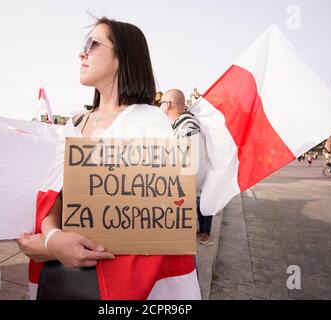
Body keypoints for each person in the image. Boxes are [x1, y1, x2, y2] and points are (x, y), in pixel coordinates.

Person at [16, 17, 201, 300]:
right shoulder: (75, 123)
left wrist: (47, 247)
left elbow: (144, 224)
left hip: (117, 286)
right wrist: (52, 239)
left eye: (93, 44)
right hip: (59, 278)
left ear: (122, 57)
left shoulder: (149, 122)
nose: (82, 52)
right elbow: (55, 194)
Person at [160, 89, 211, 245]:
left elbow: (193, 164)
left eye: (161, 102)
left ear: (168, 104)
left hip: (189, 187)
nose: (159, 106)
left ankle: (205, 231)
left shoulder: (188, 127)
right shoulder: (180, 125)